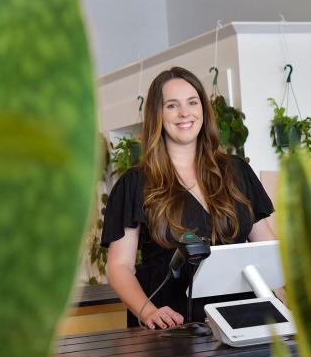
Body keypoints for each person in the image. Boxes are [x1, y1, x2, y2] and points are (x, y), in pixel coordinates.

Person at [101, 66, 276, 330]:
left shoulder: (236, 171)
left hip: (241, 316)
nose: (185, 113)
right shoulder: (135, 183)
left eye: (192, 102)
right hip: (172, 323)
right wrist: (148, 311)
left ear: (203, 110)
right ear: (157, 115)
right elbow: (119, 266)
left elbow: (267, 249)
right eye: (172, 105)